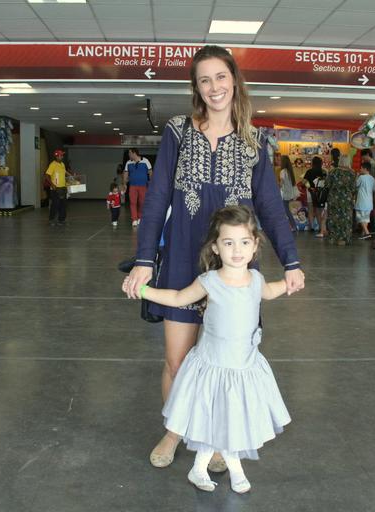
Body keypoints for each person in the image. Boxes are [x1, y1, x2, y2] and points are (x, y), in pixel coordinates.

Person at [121, 45, 304, 472]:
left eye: (221, 77)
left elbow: (272, 207)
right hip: (184, 258)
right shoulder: (178, 132)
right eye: (204, 80)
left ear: (234, 80)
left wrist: (291, 261)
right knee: (178, 360)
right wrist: (145, 259)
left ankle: (218, 441)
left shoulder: (255, 142)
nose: (214, 87)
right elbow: (159, 197)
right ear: (196, 88)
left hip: (236, 271)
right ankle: (175, 430)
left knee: (227, 365)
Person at [127, 205, 291, 494]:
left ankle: (205, 468)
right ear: (215, 247)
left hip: (243, 367)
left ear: (255, 246)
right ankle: (225, 470)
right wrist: (143, 290)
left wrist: (290, 283)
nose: (237, 250)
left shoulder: (257, 280)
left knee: (232, 417)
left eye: (244, 242)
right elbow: (178, 297)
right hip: (213, 367)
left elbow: (270, 291)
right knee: (216, 418)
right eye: (228, 243)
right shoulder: (210, 282)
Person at [324, 149, 356, 246]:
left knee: (333, 218)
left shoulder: (332, 172)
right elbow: (354, 189)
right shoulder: (352, 173)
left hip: (333, 199)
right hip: (346, 200)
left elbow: (327, 185)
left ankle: (333, 238)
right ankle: (343, 239)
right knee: (346, 219)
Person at [124, 148, 152, 227]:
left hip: (143, 186)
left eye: (130, 153)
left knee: (142, 203)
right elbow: (126, 173)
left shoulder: (145, 161)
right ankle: (134, 219)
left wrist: (151, 183)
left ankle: (140, 217)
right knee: (133, 202)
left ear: (134, 153)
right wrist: (124, 184)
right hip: (133, 186)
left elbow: (150, 172)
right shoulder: (128, 163)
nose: (129, 155)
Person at [303, 156, 326, 234]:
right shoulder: (323, 171)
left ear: (312, 163)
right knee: (320, 211)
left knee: (310, 210)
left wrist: (308, 185)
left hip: (310, 192)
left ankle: (311, 227)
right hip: (321, 194)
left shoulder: (309, 171)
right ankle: (321, 227)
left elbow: (303, 182)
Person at [46, 149, 69, 226]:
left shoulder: (62, 164)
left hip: (63, 187)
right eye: (61, 155)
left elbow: (65, 172)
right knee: (55, 205)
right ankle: (51, 220)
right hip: (55, 188)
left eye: (62, 155)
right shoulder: (53, 164)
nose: (62, 156)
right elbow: (47, 175)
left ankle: (61, 220)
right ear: (56, 156)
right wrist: (52, 184)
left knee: (63, 205)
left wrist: (72, 175)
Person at [355, 161, 375, 240]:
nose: (360, 169)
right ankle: (364, 234)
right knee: (366, 219)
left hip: (361, 201)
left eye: (361, 168)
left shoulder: (361, 177)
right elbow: (374, 189)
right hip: (369, 202)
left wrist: (357, 176)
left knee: (360, 218)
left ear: (365, 169)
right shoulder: (372, 179)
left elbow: (356, 185)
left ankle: (367, 233)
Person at [279, 155, 298, 231]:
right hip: (289, 194)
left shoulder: (283, 172)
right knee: (286, 210)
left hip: (284, 194)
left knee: (286, 211)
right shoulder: (290, 171)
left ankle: (293, 226)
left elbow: (281, 184)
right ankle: (292, 226)